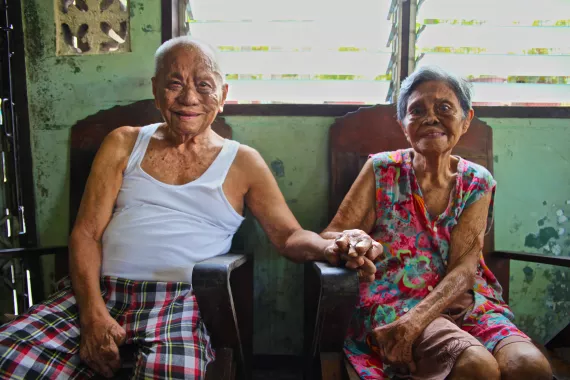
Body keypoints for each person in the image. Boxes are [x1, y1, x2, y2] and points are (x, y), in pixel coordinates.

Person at [0, 37, 381, 379]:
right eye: (174, 83)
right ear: (155, 89)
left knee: (176, 373)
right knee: (10, 355)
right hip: (97, 291)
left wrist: (329, 248)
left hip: (178, 301)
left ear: (223, 94)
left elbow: (288, 236)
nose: (189, 98)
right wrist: (93, 314)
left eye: (203, 85)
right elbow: (85, 234)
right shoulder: (123, 142)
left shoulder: (243, 161)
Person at [322, 66, 553, 380]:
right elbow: (332, 234)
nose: (430, 118)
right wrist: (350, 242)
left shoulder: (476, 181)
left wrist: (416, 322)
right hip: (397, 301)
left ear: (466, 118)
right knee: (476, 366)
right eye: (417, 111)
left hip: (465, 301)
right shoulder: (382, 169)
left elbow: (465, 267)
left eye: (445, 108)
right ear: (404, 125)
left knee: (531, 366)